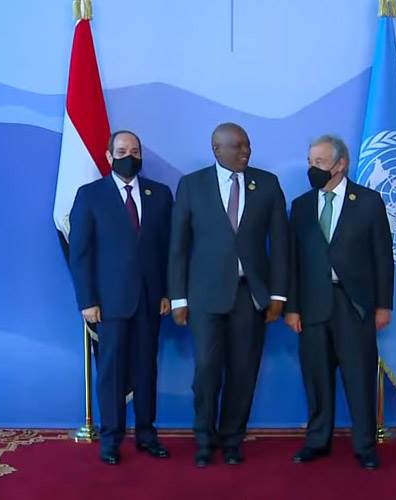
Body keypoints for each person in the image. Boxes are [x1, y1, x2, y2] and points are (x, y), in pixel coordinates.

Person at [168, 122, 289, 467]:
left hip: (250, 296)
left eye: (248, 145)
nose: (246, 152)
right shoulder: (192, 185)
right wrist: (178, 298)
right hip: (205, 297)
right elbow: (178, 246)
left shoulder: (267, 183)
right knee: (207, 371)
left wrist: (279, 295)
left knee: (244, 371)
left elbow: (281, 245)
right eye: (237, 146)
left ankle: (233, 439)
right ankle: (204, 440)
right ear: (216, 149)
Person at [284, 134, 394, 470]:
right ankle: (317, 441)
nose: (312, 168)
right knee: (316, 378)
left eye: (319, 162)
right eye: (310, 162)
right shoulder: (301, 206)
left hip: (355, 305)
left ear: (340, 164)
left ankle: (365, 446)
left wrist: (383, 305)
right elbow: (292, 261)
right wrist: (292, 307)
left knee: (359, 378)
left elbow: (383, 257)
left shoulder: (369, 202)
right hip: (312, 306)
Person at [68, 130, 173, 465]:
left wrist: (168, 292)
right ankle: (111, 439)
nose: (130, 156)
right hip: (108, 303)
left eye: (135, 151)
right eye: (123, 151)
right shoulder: (90, 195)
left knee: (146, 369)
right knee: (111, 372)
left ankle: (146, 435)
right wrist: (87, 300)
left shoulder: (160, 194)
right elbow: (80, 253)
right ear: (109, 156)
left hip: (150, 299)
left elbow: (169, 250)